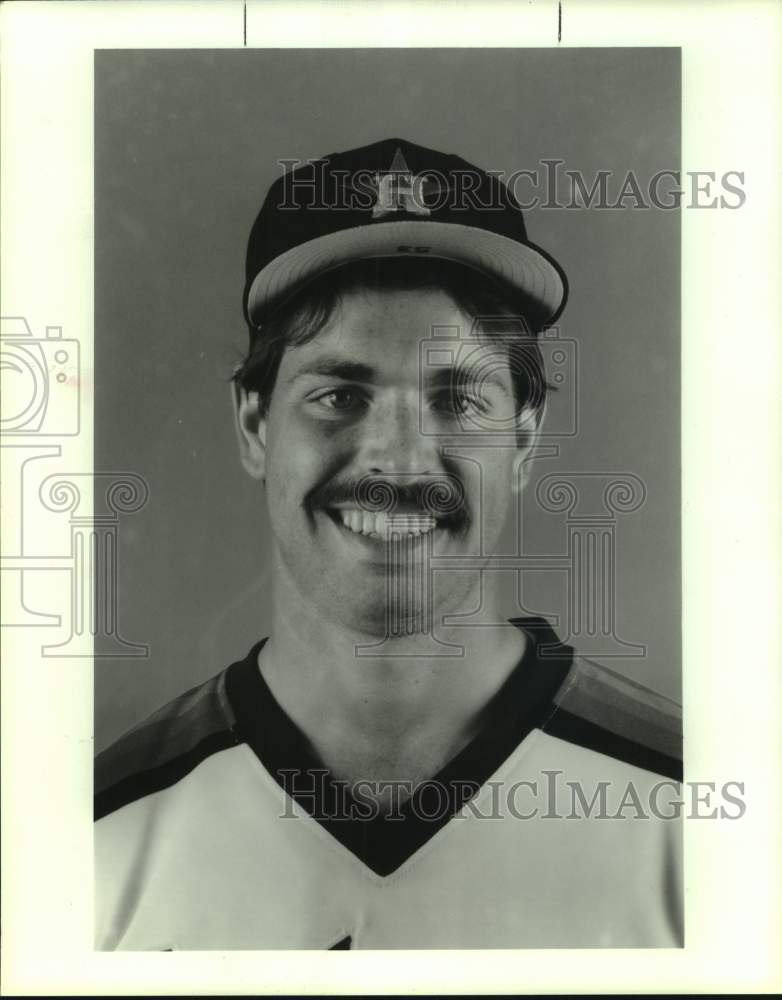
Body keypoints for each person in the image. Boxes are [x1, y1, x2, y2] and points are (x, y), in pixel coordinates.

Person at [95, 138, 682, 950]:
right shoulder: (94, 839)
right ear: (255, 425)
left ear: (526, 437)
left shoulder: (693, 817)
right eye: (339, 394)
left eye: (458, 399)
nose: (400, 460)